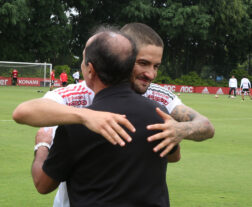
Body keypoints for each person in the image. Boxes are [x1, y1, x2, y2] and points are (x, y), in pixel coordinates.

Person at [13, 23, 214, 206]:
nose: (151, 74)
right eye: (143, 63)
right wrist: (85, 116)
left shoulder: (158, 98)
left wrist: (181, 129)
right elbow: (24, 112)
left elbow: (205, 126)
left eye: (156, 66)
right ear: (125, 57)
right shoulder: (78, 93)